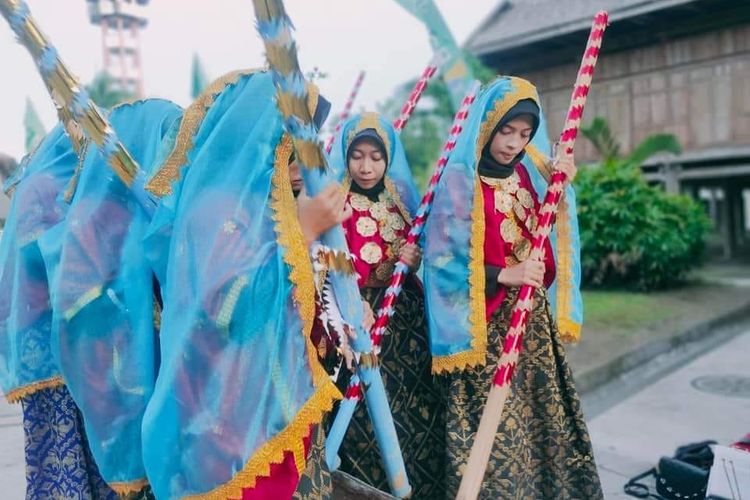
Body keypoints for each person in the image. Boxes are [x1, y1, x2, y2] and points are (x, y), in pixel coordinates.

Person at [140, 70, 351, 499]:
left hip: (278, 401)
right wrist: (305, 230)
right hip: (233, 419)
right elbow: (226, 314)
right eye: (294, 152)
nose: (302, 170)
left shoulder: (267, 204)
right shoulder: (214, 211)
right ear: (263, 143)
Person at [422, 76, 603, 498]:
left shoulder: (528, 173)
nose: (514, 143)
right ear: (487, 126)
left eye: (524, 134)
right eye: (506, 131)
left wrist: (559, 192)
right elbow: (442, 263)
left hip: (531, 327)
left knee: (541, 422)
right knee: (493, 433)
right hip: (483, 332)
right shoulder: (458, 182)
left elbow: (545, 230)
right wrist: (504, 274)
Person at [43, 98, 183, 498]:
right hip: (127, 387)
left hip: (127, 396)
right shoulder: (100, 224)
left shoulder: (148, 210)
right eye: (170, 143)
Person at [327, 112, 445, 497]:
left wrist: (414, 258)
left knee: (415, 406)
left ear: (388, 159)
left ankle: (421, 484)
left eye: (376, 157)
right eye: (357, 156)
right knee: (363, 413)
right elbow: (325, 264)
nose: (366, 167)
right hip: (357, 319)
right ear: (344, 156)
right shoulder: (334, 206)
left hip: (405, 320)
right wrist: (350, 302)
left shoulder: (402, 201)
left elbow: (419, 247)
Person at [0, 123, 118, 499]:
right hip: (64, 356)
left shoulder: (48, 190)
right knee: (71, 460)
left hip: (60, 354)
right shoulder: (48, 194)